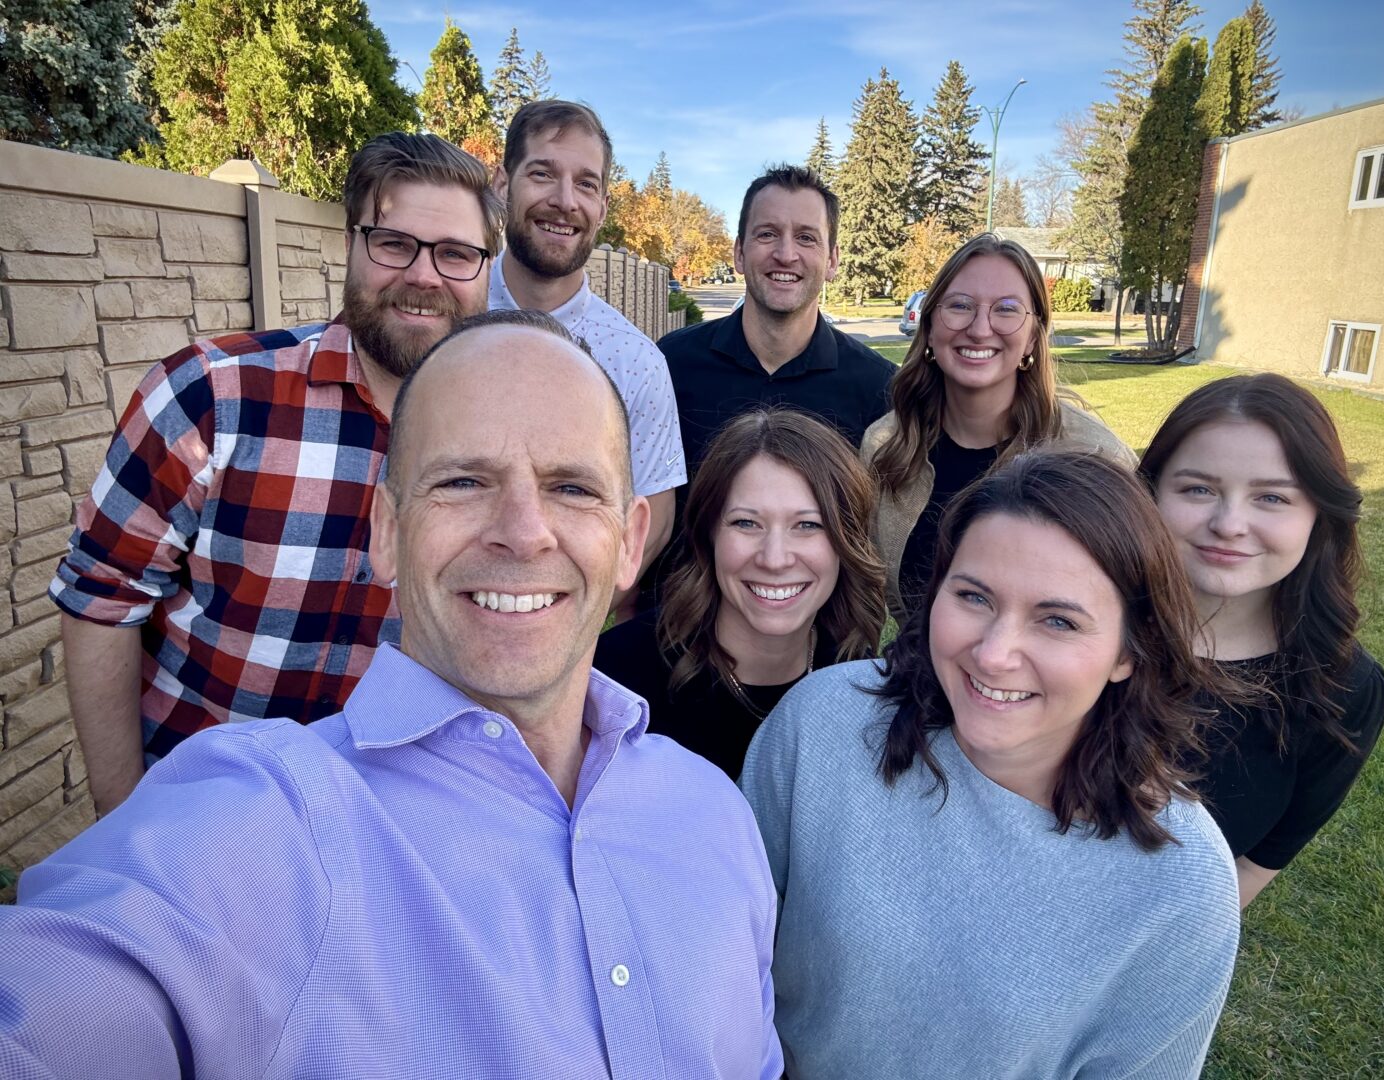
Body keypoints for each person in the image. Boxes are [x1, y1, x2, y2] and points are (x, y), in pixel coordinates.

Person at [0, 310, 783, 1079]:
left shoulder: (714, 815)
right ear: (385, 530)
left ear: (631, 542)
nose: (523, 530)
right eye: (463, 480)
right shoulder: (265, 829)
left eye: (572, 487)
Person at [742, 451, 1241, 1079]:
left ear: (1129, 651)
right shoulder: (822, 725)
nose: (995, 653)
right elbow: (730, 958)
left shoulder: (1181, 884)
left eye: (1057, 620)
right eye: (974, 597)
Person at [49, 132, 503, 815]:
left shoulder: (503, 442)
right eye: (393, 242)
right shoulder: (210, 396)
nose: (424, 275)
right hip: (194, 820)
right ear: (350, 244)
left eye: (456, 254)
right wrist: (121, 823)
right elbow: (102, 599)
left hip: (382, 833)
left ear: (485, 270)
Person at [1138, 373, 1384, 909]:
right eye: (1198, 489)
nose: (1229, 524)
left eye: (1272, 497)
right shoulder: (1083, 622)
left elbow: (1256, 864)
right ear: (1151, 493)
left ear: (1319, 515)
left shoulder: (1344, 688)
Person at [594, 409, 885, 780]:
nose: (775, 559)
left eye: (808, 525)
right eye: (746, 523)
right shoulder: (615, 683)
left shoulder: (861, 686)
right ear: (708, 534)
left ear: (846, 542)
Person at [863, 233, 1135, 619]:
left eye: (1007, 309)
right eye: (959, 306)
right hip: (915, 675)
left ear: (1032, 339)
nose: (979, 328)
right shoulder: (886, 445)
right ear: (929, 327)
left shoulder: (1095, 457)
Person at [487, 99, 686, 615]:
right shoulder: (440, 316)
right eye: (542, 174)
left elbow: (654, 516)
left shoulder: (635, 363)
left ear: (601, 207)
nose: (564, 200)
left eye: (587, 184)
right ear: (503, 184)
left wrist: (557, 613)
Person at [660, 164, 893, 469]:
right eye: (768, 234)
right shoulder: (670, 366)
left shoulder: (880, 390)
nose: (785, 254)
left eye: (806, 238)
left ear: (832, 261)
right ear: (739, 253)